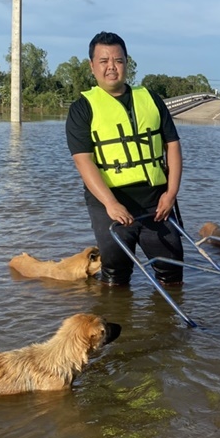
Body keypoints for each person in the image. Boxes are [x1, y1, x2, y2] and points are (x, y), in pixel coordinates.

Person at [65, 31, 184, 286]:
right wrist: (110, 203)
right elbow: (83, 161)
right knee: (116, 276)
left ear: (127, 63)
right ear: (92, 66)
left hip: (157, 202)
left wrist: (171, 193)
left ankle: (169, 325)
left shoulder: (150, 99)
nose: (111, 67)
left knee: (172, 272)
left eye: (118, 60)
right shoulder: (82, 108)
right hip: (110, 205)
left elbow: (172, 145)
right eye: (104, 61)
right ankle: (116, 322)